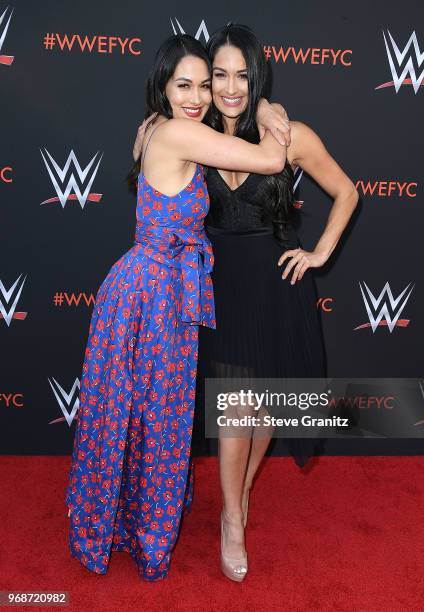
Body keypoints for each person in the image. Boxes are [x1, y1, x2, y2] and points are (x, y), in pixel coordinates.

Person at [65, 33, 288, 582]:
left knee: (135, 419)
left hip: (151, 294)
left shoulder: (157, 131)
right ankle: (144, 536)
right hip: (154, 299)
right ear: (163, 90)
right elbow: (271, 156)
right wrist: (264, 103)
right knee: (156, 422)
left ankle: (120, 523)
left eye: (204, 85)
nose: (197, 96)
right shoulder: (180, 132)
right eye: (182, 85)